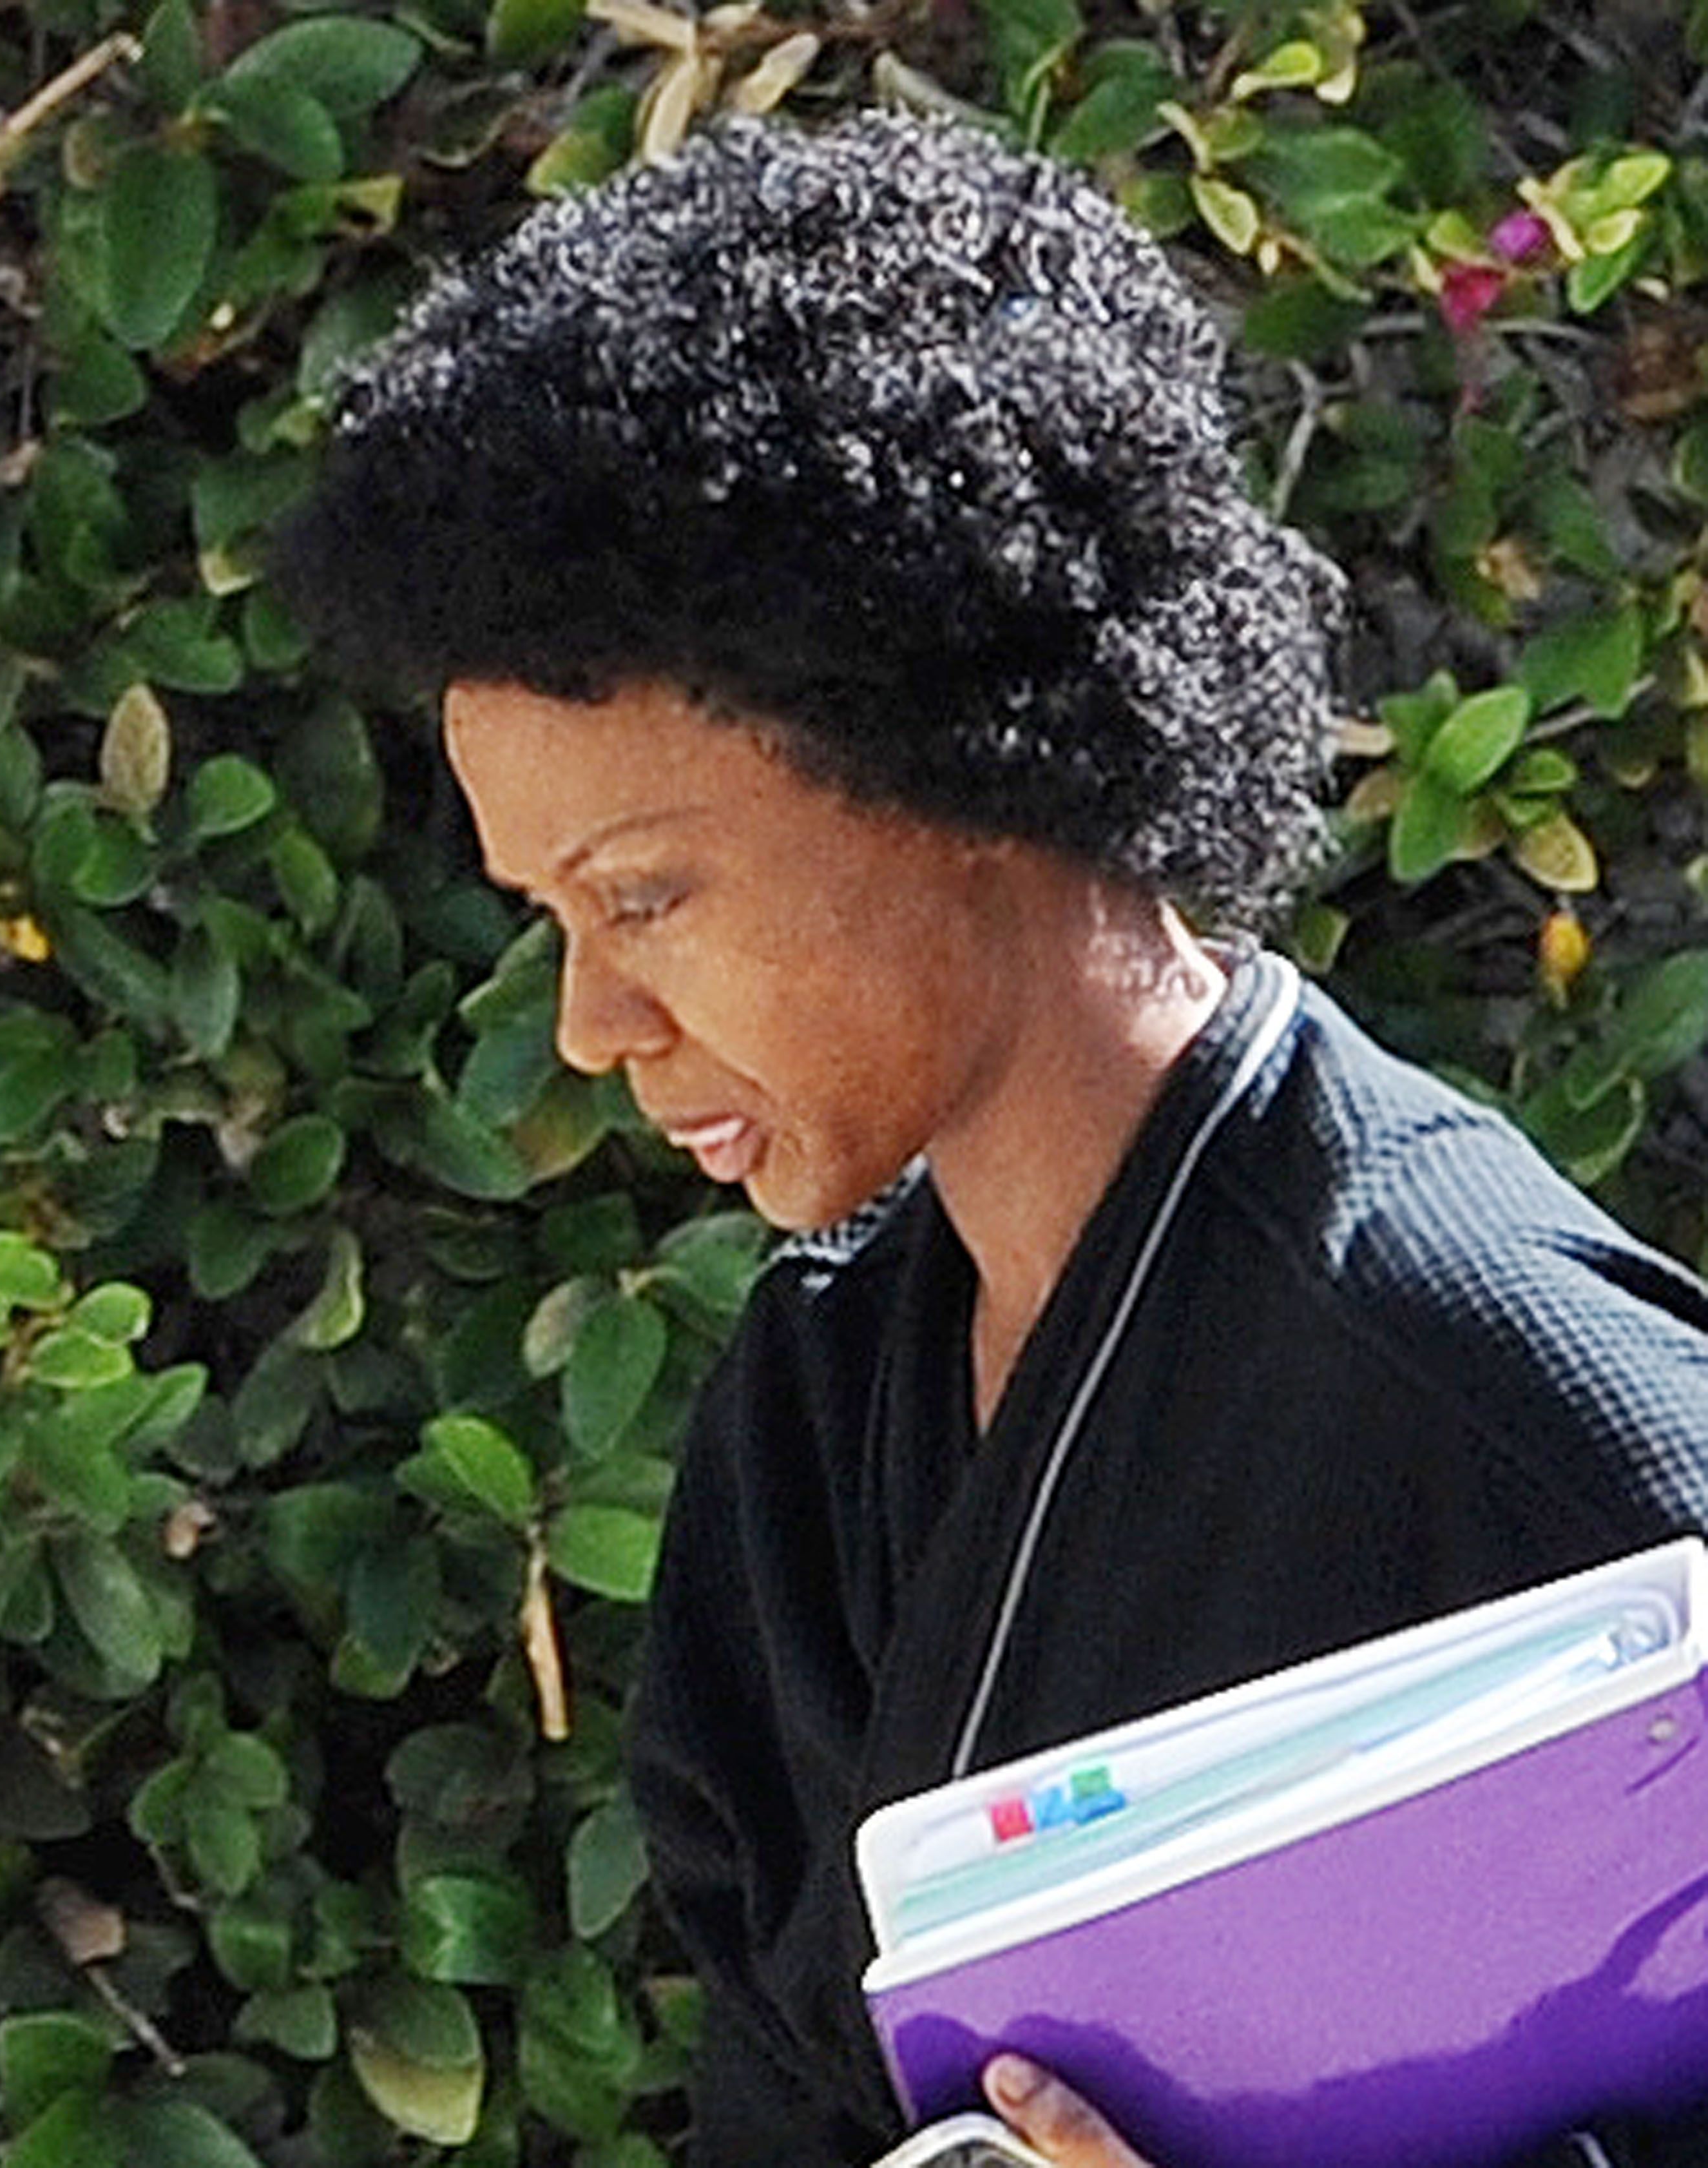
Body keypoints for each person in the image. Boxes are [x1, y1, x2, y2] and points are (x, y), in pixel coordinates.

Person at [279, 110, 1708, 2168]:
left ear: (947, 763)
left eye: (645, 894)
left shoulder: (1505, 1386)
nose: (590, 1023)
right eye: (554, 919)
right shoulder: (811, 1407)